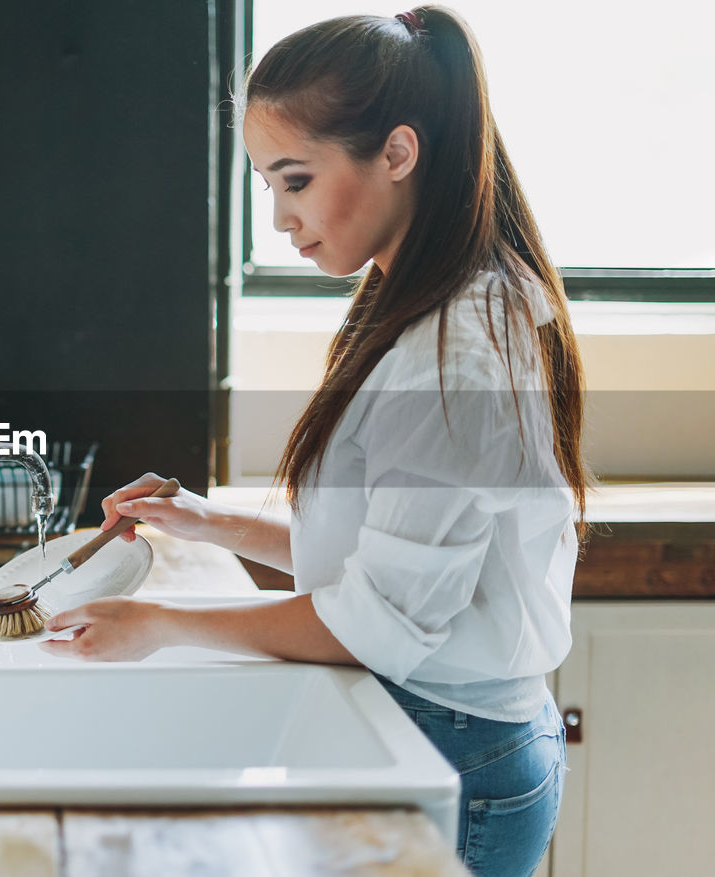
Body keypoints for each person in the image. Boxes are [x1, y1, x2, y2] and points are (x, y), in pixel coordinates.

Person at [39, 7, 590, 876]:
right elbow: (378, 566)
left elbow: (376, 624)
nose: (281, 218)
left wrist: (159, 623)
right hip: (440, 729)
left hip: (458, 753)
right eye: (268, 184)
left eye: (295, 179)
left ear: (398, 154)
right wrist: (207, 522)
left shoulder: (460, 356)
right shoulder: (414, 300)